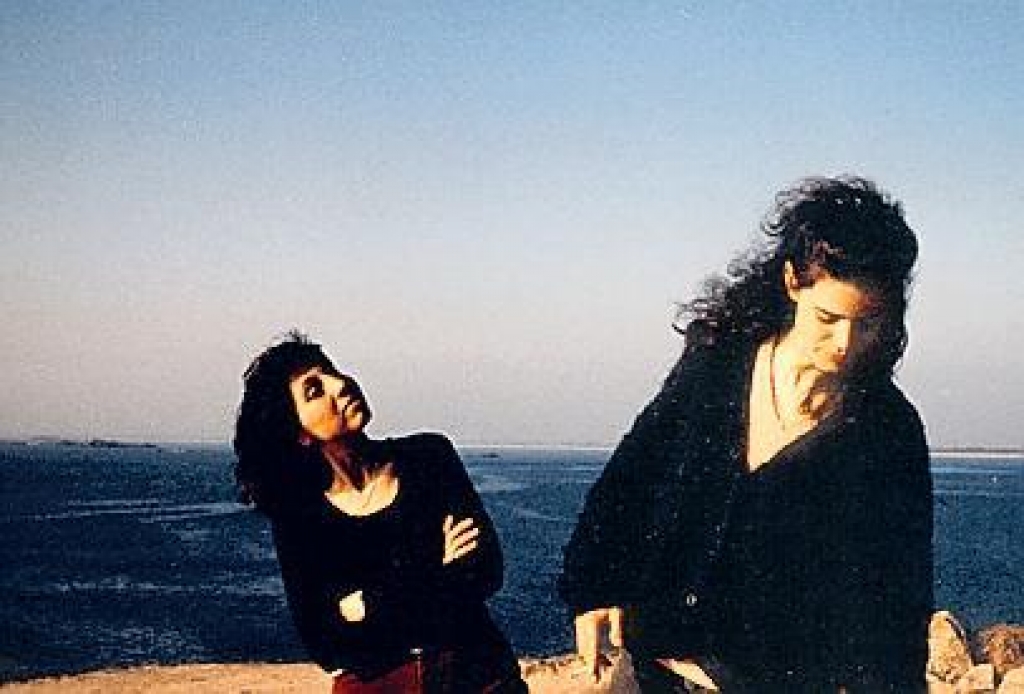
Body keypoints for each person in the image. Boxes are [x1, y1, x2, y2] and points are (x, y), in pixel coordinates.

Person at [559, 176, 934, 693]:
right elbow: (631, 479)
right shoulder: (716, 362)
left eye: (867, 323)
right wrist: (594, 591)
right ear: (792, 281)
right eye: (827, 318)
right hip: (650, 672)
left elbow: (898, 606)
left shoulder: (888, 431)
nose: (845, 344)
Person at [233, 332, 526, 693]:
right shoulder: (300, 516)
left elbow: (485, 571)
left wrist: (366, 604)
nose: (340, 385)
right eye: (315, 390)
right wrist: (436, 567)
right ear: (299, 433)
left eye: (332, 371)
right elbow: (325, 645)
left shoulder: (429, 457)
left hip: (478, 679)